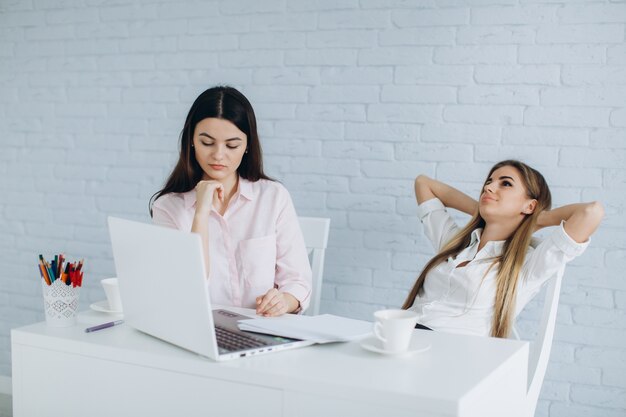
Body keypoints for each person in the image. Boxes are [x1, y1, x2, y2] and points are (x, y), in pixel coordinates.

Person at [149, 86, 311, 317]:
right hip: (199, 329)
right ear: (191, 141)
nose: (218, 155)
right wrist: (201, 213)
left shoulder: (273, 197)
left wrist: (283, 301)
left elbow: (298, 281)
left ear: (247, 146)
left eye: (232, 145)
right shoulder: (168, 208)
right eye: (207, 143)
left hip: (262, 329)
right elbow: (187, 288)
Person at [403, 160, 604, 338]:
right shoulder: (453, 243)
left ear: (530, 206)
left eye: (505, 183)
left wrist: (536, 219)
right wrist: (481, 210)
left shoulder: (526, 265)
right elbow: (423, 183)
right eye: (489, 182)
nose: (489, 188)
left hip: (453, 357)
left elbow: (591, 212)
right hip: (401, 335)